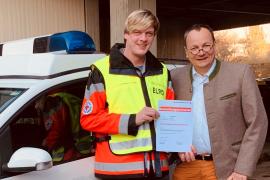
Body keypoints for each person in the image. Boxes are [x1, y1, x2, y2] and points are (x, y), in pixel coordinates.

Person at [80, 9, 174, 179]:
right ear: (126, 34)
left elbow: (170, 117)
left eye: (149, 33)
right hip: (117, 169)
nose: (143, 38)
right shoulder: (103, 70)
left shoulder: (162, 71)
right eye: (137, 32)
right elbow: (88, 119)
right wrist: (132, 120)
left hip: (158, 169)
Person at [170, 24, 268, 180]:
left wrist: (242, 169)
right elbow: (167, 117)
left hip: (227, 169)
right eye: (194, 48)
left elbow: (258, 122)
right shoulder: (174, 77)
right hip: (185, 168)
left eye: (206, 46)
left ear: (214, 46)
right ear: (186, 52)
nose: (201, 52)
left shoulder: (240, 74)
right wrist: (177, 144)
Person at [35, 92, 90, 163]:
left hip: (71, 151)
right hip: (78, 148)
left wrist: (46, 143)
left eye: (37, 102)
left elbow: (57, 130)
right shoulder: (55, 101)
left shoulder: (53, 104)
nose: (35, 106)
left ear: (43, 97)